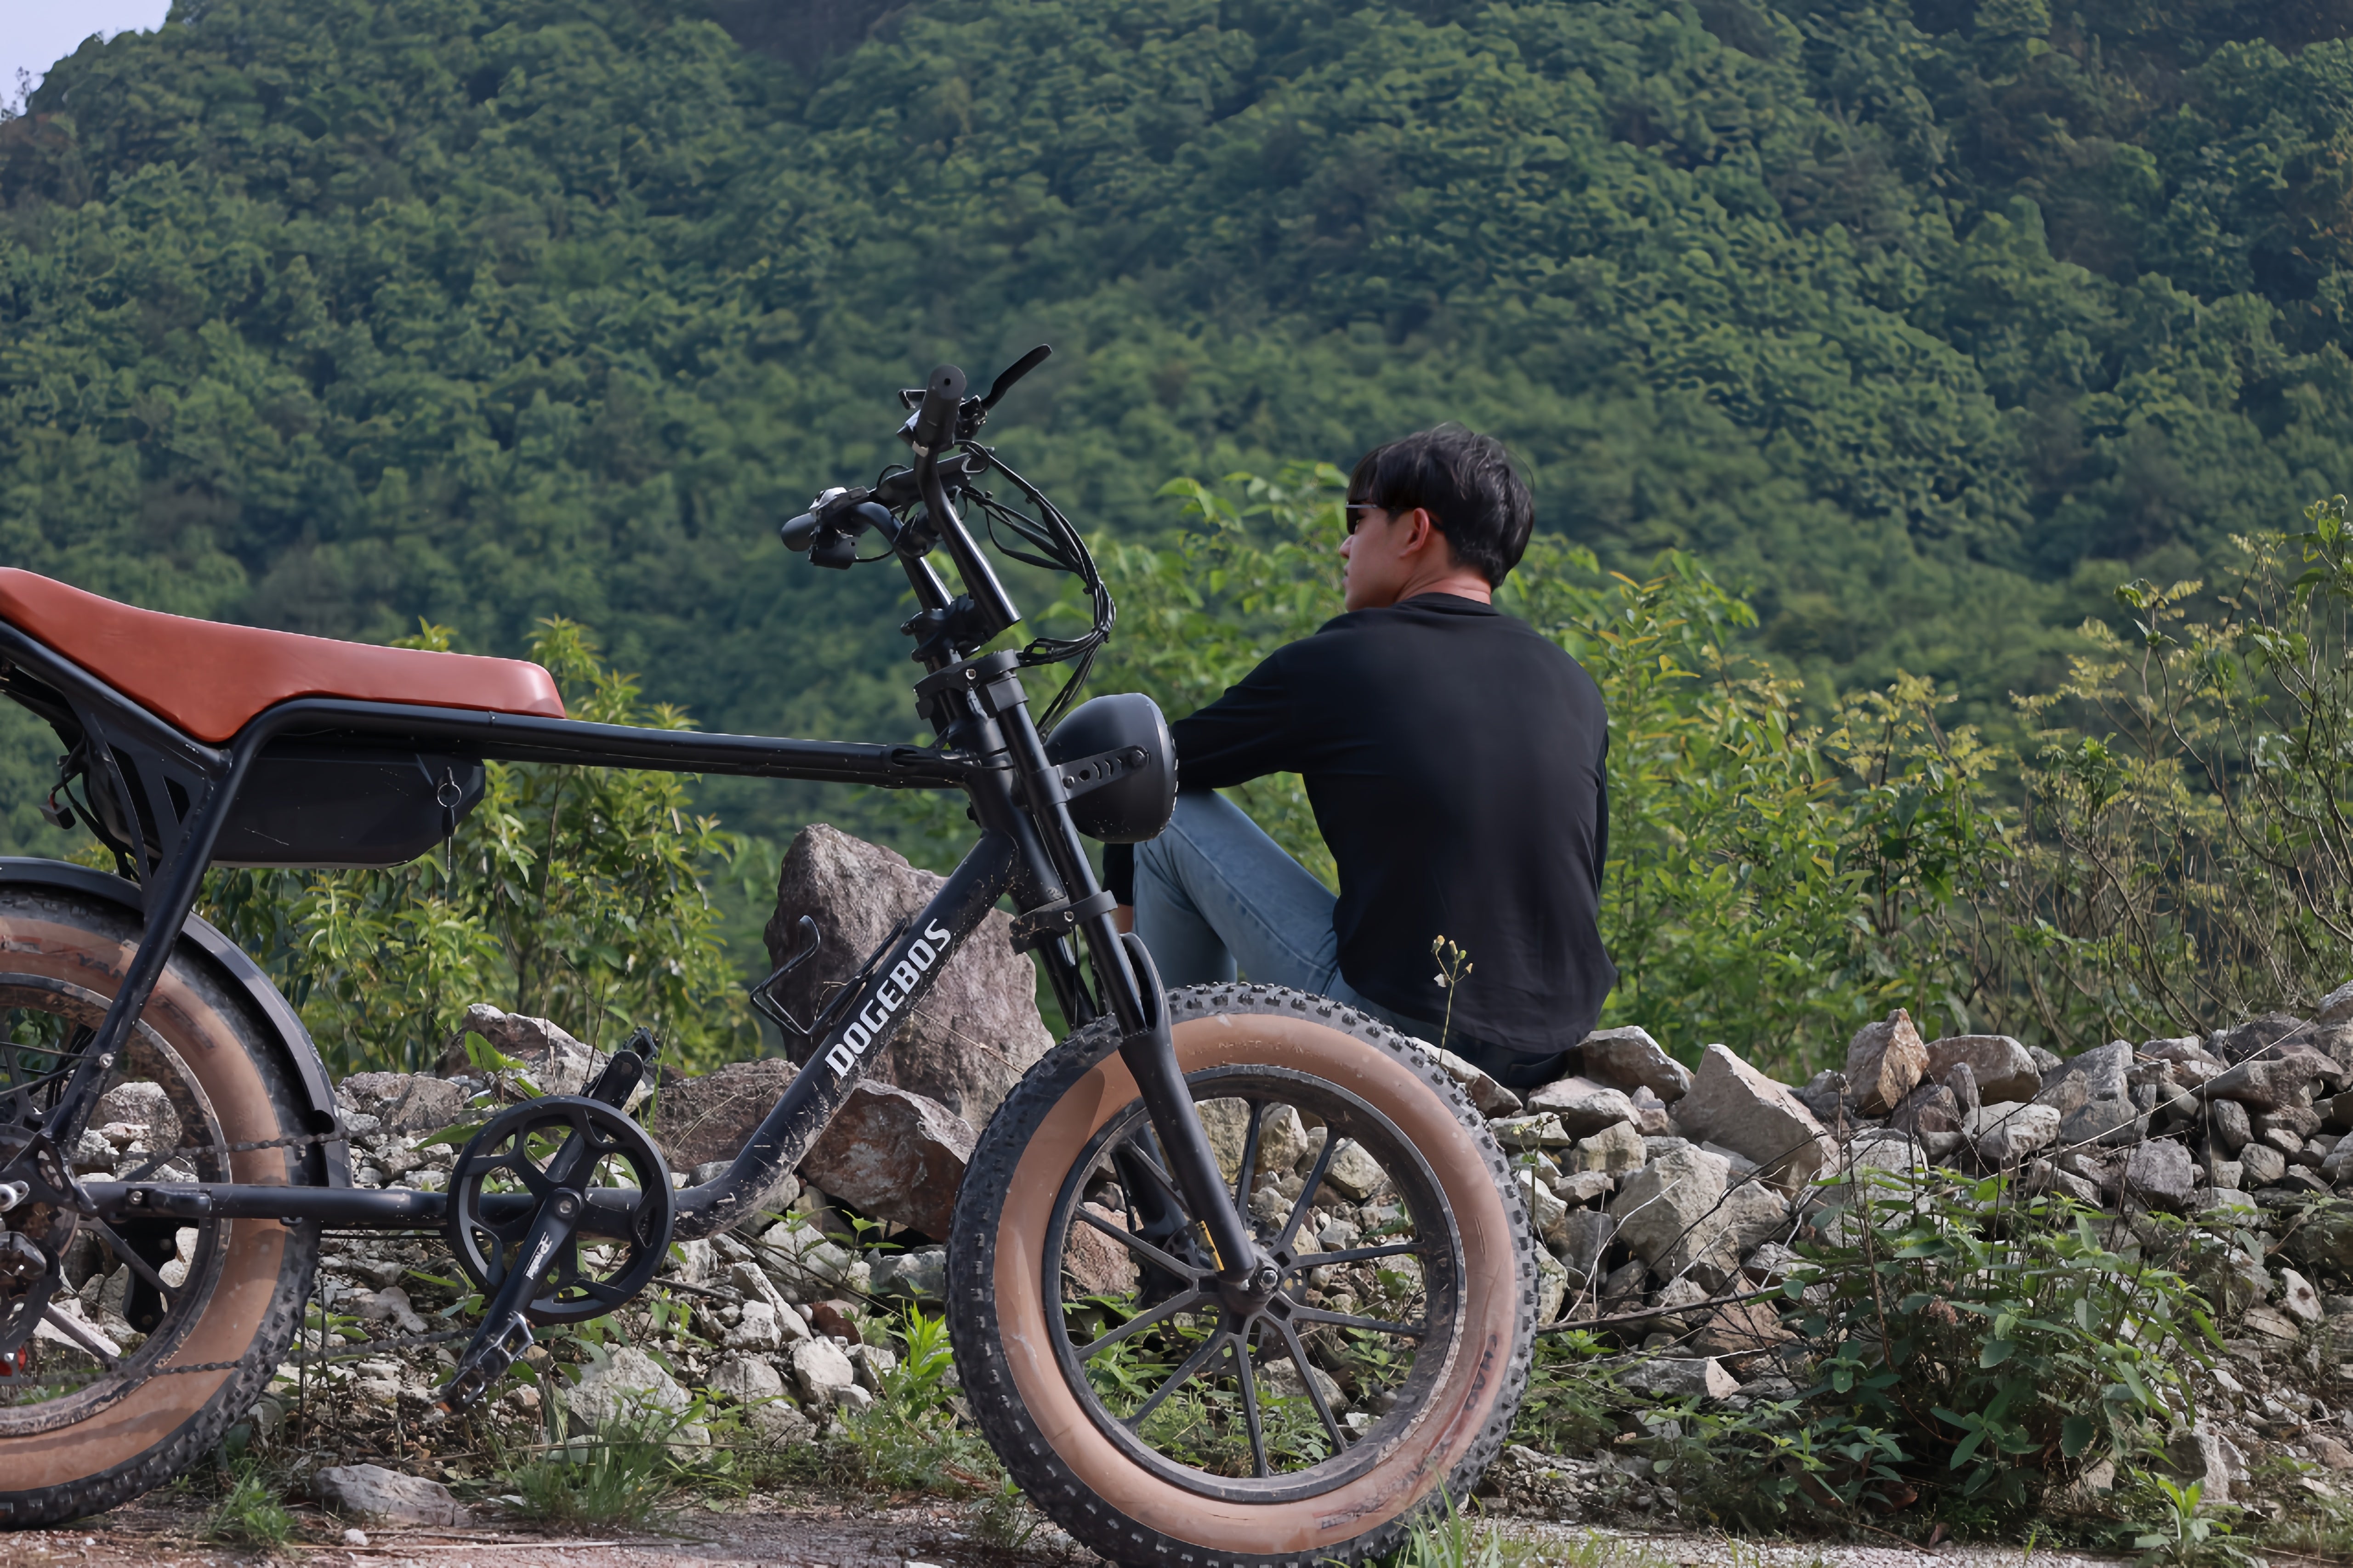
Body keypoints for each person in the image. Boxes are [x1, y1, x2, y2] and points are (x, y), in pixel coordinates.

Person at [1103, 425, 1614, 1090]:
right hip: (1548, 1052)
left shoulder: (1345, 660)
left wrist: (1118, 918)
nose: (1345, 544)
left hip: (1398, 1031)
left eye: (1358, 519)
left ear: (1413, 531)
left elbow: (1148, 772)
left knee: (1168, 820)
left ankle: (1169, 1098)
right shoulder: (1574, 685)